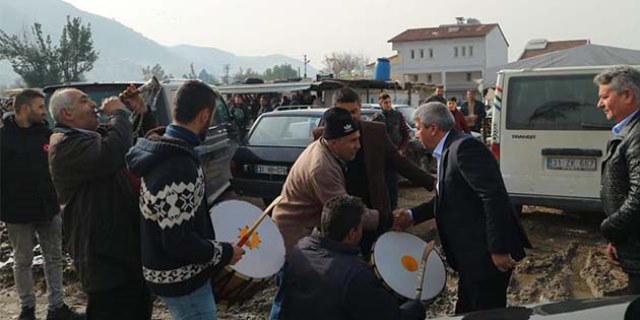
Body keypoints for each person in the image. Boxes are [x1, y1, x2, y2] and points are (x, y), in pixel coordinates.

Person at [394, 102, 531, 314]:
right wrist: (412, 215)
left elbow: (493, 197)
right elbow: (448, 199)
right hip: (470, 257)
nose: (416, 134)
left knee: (486, 312)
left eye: (419, 127)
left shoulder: (465, 148)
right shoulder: (447, 151)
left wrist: (498, 248)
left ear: (433, 128)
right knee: (466, 311)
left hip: (485, 256)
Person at [125, 80, 245, 319]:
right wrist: (224, 253)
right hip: (182, 280)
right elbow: (178, 241)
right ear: (204, 115)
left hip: (172, 273)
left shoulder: (165, 147)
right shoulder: (178, 167)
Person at [48, 86, 154, 320]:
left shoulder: (92, 136)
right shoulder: (64, 145)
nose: (93, 105)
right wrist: (118, 114)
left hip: (127, 254)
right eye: (85, 101)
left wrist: (141, 112)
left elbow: (146, 143)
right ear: (67, 114)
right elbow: (114, 151)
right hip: (104, 262)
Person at [269, 107, 381, 319]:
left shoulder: (325, 149)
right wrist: (386, 219)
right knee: (286, 297)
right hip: (291, 238)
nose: (358, 146)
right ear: (334, 142)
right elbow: (344, 212)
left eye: (358, 139)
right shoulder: (322, 167)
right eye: (352, 141)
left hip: (303, 234)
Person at [313, 88, 434, 253]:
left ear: (360, 108)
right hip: (339, 215)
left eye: (354, 111)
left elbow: (399, 162)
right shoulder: (324, 138)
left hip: (373, 207)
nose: (350, 117)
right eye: (344, 112)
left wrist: (432, 182)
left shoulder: (375, 131)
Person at [0, 89, 82, 320]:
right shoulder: (4, 139)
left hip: (48, 209)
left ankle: (56, 308)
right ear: (25, 109)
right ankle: (27, 309)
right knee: (22, 261)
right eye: (39, 107)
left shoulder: (47, 134)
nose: (43, 111)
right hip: (16, 213)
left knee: (54, 257)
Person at [280, 195, 425, 320]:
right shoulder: (355, 275)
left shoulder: (299, 250)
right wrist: (417, 307)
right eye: (361, 227)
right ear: (352, 233)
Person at [594, 65, 640, 294]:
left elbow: (638, 197)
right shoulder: (629, 130)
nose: (599, 104)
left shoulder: (637, 134)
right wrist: (617, 239)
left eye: (604, 96)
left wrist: (609, 228)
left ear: (628, 95)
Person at [372, 92, 411, 209]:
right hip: (381, 155)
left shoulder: (398, 116)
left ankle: (393, 207)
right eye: (385, 103)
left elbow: (405, 134)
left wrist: (402, 150)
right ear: (380, 104)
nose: (388, 105)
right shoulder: (376, 118)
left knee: (393, 183)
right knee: (381, 182)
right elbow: (371, 137)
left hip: (395, 153)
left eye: (389, 102)